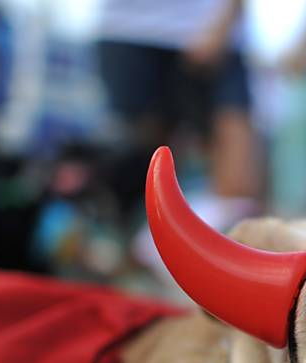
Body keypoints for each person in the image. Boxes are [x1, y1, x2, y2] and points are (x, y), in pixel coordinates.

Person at [95, 0, 259, 214]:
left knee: (237, 180)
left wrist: (222, 23)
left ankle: (226, 235)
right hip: (127, 30)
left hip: (214, 29)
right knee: (136, 177)